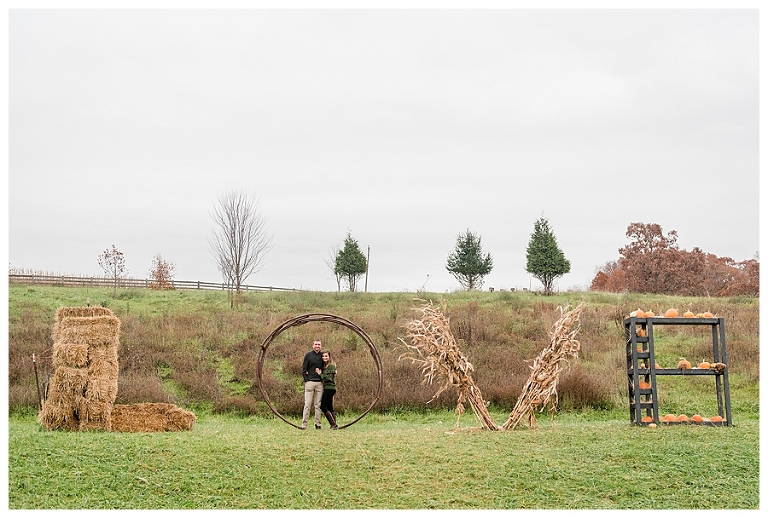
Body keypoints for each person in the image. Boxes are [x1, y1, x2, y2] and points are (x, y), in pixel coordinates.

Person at [300, 339, 324, 430]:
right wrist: (306, 380)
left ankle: (317, 424)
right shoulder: (308, 355)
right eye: (316, 344)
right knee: (307, 404)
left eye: (319, 344)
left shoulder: (323, 355)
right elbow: (304, 368)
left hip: (319, 383)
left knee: (318, 405)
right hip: (310, 382)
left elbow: (327, 366)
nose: (317, 346)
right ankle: (304, 424)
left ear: (321, 346)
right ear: (312, 345)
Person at [320, 350, 338, 430]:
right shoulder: (325, 366)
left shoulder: (332, 366)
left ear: (329, 357)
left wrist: (320, 374)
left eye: (326, 356)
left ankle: (333, 424)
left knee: (323, 406)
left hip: (330, 388)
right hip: (327, 388)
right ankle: (334, 425)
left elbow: (329, 378)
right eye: (323, 356)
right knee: (330, 407)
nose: (324, 357)